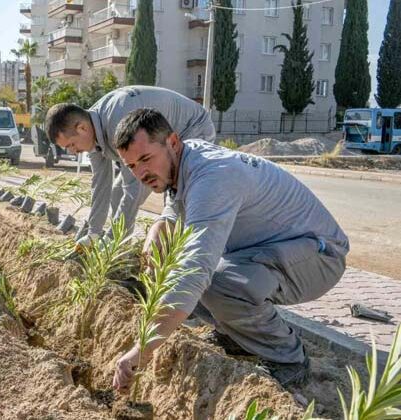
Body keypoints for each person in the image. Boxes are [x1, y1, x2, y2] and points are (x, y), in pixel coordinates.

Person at [110, 109, 348, 389]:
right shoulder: (186, 156)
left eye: (146, 159)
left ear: (172, 142)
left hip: (318, 256)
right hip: (269, 249)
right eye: (132, 166)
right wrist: (162, 224)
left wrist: (142, 350)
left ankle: (289, 359)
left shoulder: (214, 178)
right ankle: (237, 336)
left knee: (214, 281)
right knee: (178, 269)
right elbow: (177, 196)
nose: (141, 173)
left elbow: (194, 273)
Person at [45, 86, 215, 247]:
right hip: (157, 142)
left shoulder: (117, 122)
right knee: (117, 192)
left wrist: (111, 240)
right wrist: (93, 234)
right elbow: (100, 185)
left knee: (174, 198)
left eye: (71, 145)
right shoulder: (91, 129)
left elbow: (135, 187)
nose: (74, 152)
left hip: (191, 128)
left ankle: (179, 258)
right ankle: (122, 251)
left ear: (81, 128)